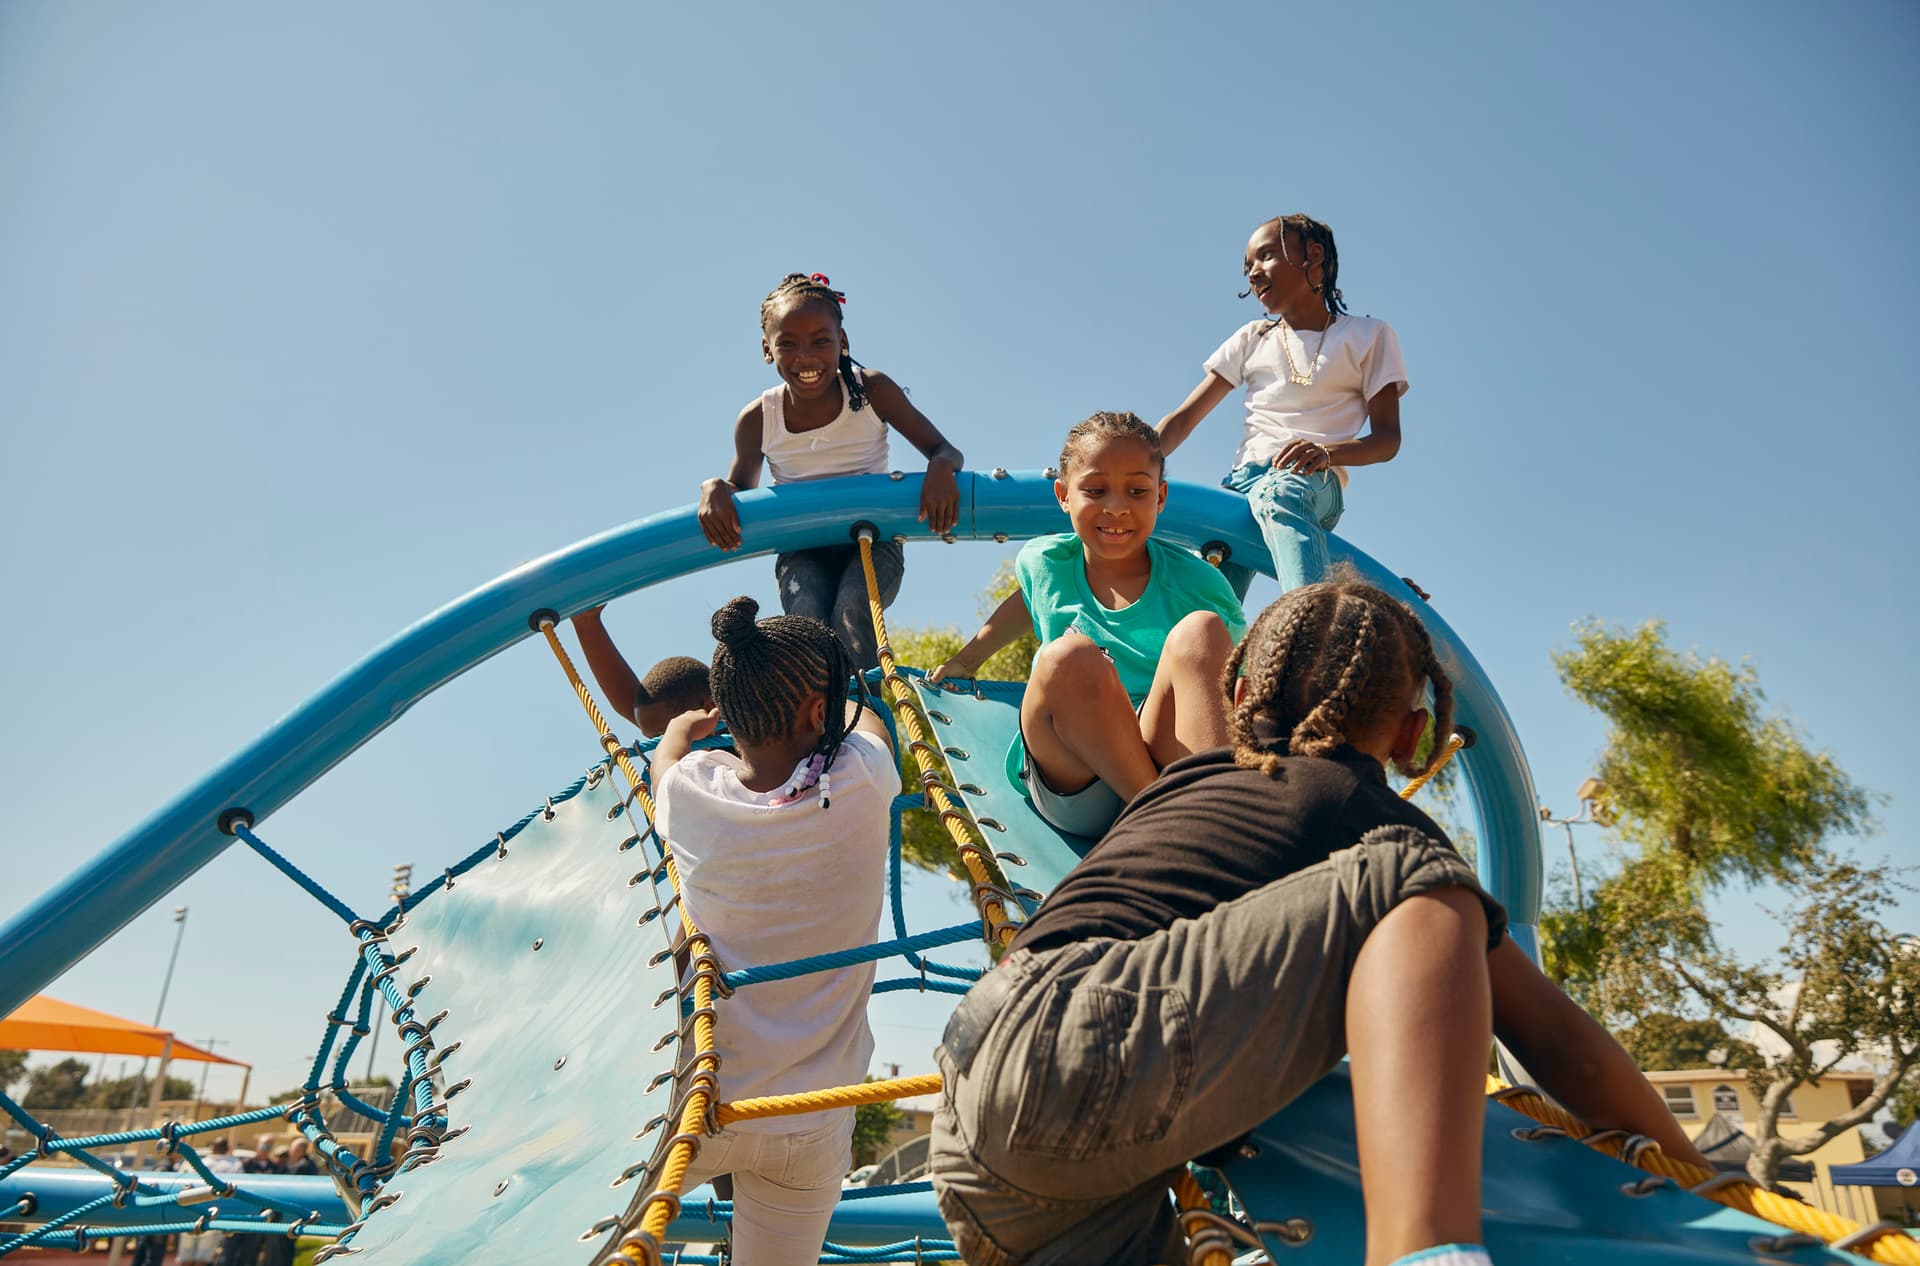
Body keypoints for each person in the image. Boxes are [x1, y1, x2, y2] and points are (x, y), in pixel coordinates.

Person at [929, 574, 1712, 1266]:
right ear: (1412, 735)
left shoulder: (1187, 781)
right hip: (1076, 1044)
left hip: (980, 1124)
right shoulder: (1367, 815)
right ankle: (1427, 1252)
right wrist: (1699, 1178)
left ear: (1238, 697)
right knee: (1427, 889)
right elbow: (1558, 1040)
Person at [649, 595, 898, 1265]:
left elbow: (664, 763)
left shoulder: (694, 790)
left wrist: (689, 728)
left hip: (701, 1103)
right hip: (812, 1120)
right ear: (821, 713)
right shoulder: (863, 780)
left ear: (729, 718)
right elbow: (866, 718)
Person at [928, 412, 1245, 839]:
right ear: (1063, 494)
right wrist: (967, 660)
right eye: (1095, 490)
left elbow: (1233, 679)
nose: (1116, 507)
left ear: (1161, 497)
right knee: (1067, 655)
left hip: (1163, 756)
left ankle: (1211, 816)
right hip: (1076, 774)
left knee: (1203, 631)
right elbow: (1028, 600)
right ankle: (1174, 829)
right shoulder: (1046, 563)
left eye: (1137, 490)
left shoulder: (1198, 582)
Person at [697, 272, 966, 670]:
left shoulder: (870, 391)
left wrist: (941, 468)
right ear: (767, 349)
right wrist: (714, 487)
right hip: (802, 547)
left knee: (853, 606)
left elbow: (944, 449)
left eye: (820, 341)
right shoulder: (759, 419)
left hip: (872, 538)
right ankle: (820, 721)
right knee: (806, 619)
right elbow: (740, 488)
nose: (805, 357)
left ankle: (861, 714)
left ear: (842, 342)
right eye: (787, 344)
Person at [1157, 214, 1409, 596]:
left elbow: (1387, 440)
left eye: (1267, 256)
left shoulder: (1368, 335)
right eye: (1247, 268)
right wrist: (1133, 461)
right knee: (1207, 583)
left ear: (1314, 254)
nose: (1254, 273)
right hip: (1242, 485)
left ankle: (1309, 622)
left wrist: (1325, 453)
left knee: (1282, 492)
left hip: (1312, 481)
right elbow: (1182, 421)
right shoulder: (1252, 338)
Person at [569, 611, 714, 738]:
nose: (660, 747)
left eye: (662, 736)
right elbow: (631, 704)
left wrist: (586, 623)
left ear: (709, 709)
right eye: (653, 740)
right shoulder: (682, 759)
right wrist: (585, 621)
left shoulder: (732, 739)